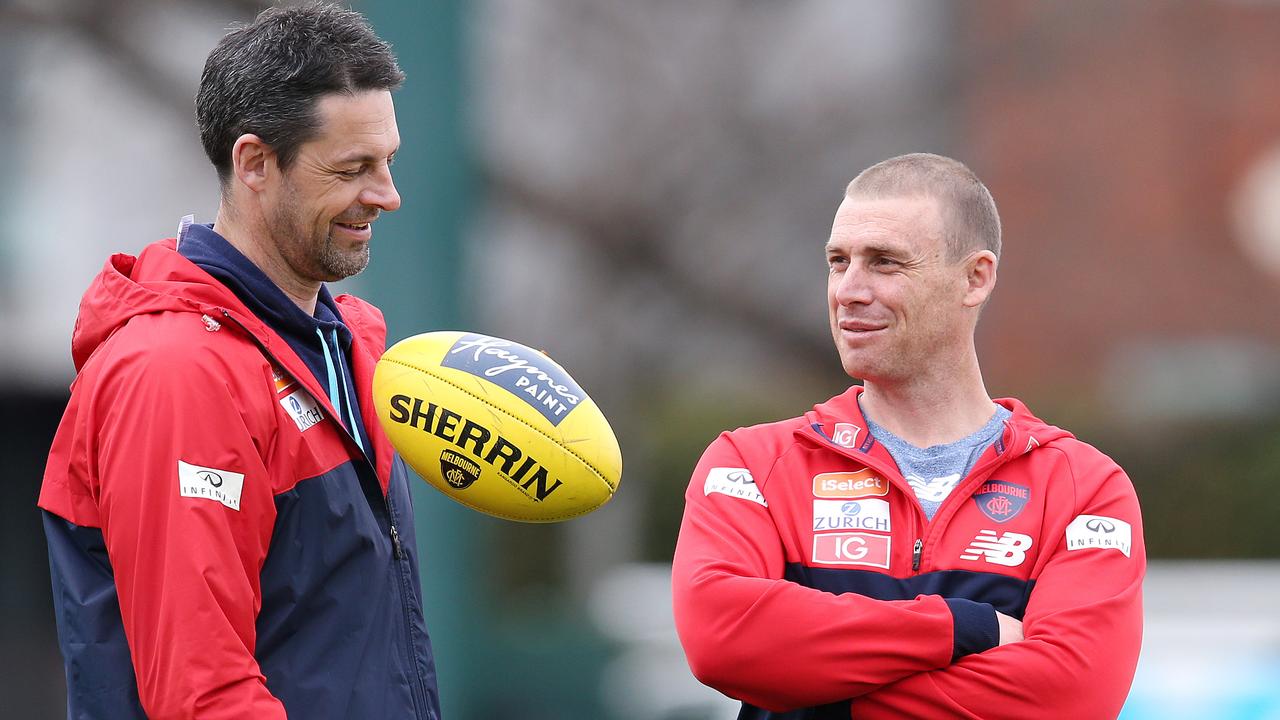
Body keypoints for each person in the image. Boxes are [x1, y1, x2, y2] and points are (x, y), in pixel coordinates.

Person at [38, 5, 442, 718]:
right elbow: (203, 694)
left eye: (387, 162)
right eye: (353, 169)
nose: (386, 195)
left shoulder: (342, 344)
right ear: (254, 162)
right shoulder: (178, 373)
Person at [671, 153, 1144, 719]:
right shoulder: (752, 464)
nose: (848, 289)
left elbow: (1069, 697)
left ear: (975, 278)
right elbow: (723, 639)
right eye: (837, 261)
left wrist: (815, 698)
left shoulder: (1082, 487)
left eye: (885, 262)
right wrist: (961, 627)